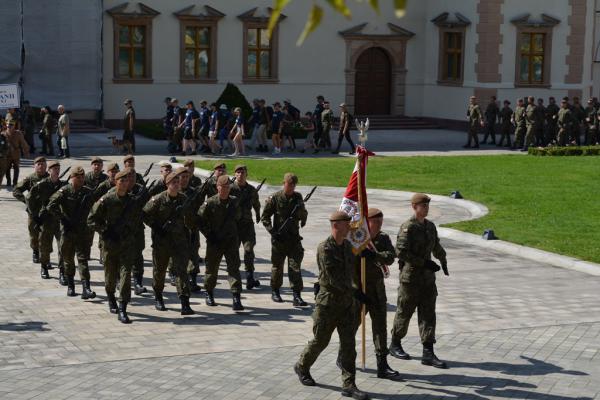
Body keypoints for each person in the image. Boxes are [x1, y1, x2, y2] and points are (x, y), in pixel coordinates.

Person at [294, 211, 369, 400]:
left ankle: (349, 385)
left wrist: (363, 257)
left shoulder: (347, 247)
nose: (350, 227)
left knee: (348, 344)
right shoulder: (325, 248)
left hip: (346, 305)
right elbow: (332, 278)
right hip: (328, 304)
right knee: (320, 341)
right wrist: (355, 291)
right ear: (336, 225)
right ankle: (302, 366)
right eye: (346, 223)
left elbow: (351, 273)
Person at [389, 193, 448, 369]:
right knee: (405, 312)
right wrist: (425, 263)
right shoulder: (408, 227)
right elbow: (401, 252)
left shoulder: (430, 226)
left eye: (427, 206)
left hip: (428, 279)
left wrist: (443, 259)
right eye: (423, 206)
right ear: (414, 207)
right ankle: (395, 343)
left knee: (428, 314)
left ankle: (428, 352)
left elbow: (436, 245)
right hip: (411, 278)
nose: (426, 209)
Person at [347, 208, 400, 379]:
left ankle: (382, 365)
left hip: (377, 290)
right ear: (367, 222)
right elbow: (350, 268)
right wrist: (355, 289)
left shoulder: (383, 238)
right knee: (351, 326)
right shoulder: (357, 238)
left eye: (381, 221)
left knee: (380, 328)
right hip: (361, 291)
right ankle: (344, 357)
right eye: (375, 221)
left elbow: (391, 256)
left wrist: (374, 255)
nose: (378, 224)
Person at [88, 169, 137, 323]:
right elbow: (91, 220)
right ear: (116, 182)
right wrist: (105, 231)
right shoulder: (106, 200)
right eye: (121, 181)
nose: (124, 183)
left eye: (126, 181)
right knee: (110, 275)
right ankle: (111, 297)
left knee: (125, 274)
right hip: (109, 244)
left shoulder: (132, 201)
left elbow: (137, 219)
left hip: (126, 244)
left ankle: (123, 307)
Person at [143, 169, 194, 315]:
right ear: (167, 184)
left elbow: (189, 218)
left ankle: (185, 302)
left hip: (179, 242)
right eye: (173, 182)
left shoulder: (183, 199)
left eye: (178, 182)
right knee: (159, 271)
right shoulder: (158, 199)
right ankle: (158, 297)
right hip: (162, 242)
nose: (177, 185)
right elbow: (144, 214)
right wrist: (157, 227)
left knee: (181, 271)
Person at [47, 166, 96, 299]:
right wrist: (63, 218)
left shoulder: (87, 192)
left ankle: (87, 288)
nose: (81, 180)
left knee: (83, 260)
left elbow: (96, 209)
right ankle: (71, 286)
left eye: (82, 177)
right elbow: (51, 205)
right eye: (78, 177)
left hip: (82, 232)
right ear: (72, 177)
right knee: (68, 260)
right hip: (68, 232)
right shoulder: (64, 191)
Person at [197, 175, 244, 310]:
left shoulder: (234, 202)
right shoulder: (210, 202)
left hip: (230, 241)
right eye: (223, 187)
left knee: (234, 269)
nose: (225, 190)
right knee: (211, 269)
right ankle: (209, 293)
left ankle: (236, 297)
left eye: (228, 187)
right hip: (215, 242)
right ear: (217, 187)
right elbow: (200, 220)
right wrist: (209, 234)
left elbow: (239, 217)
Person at [261, 173, 308, 306]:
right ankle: (275, 291)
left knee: (295, 267)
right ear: (284, 183)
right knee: (277, 267)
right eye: (289, 184)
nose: (291, 187)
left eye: (293, 185)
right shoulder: (275, 198)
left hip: (293, 239)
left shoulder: (298, 197)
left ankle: (297, 295)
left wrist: (300, 212)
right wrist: (272, 232)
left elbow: (303, 216)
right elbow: (265, 217)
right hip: (279, 239)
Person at [26, 160, 66, 280]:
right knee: (44, 247)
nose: (57, 171)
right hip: (46, 220)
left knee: (62, 247)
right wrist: (34, 215)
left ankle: (62, 272)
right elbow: (29, 198)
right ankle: (44, 267)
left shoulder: (63, 185)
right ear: (49, 171)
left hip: (59, 220)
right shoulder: (41, 184)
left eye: (58, 169)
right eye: (54, 169)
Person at [230, 165, 261, 290]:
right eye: (238, 172)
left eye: (243, 172)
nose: (240, 174)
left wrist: (258, 214)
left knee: (248, 250)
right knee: (233, 252)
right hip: (234, 225)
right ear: (235, 174)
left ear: (246, 174)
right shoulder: (231, 189)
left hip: (247, 225)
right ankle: (235, 277)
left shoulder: (251, 190)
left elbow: (256, 204)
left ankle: (249, 277)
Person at [13, 156, 49, 263]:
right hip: (33, 212)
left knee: (46, 234)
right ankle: (35, 251)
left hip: (47, 212)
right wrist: (26, 201)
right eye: (39, 164)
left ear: (46, 166)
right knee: (33, 233)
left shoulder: (50, 177)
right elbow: (16, 191)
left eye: (43, 164)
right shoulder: (30, 179)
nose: (41, 166)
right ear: (35, 166)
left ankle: (45, 255)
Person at [3, 119, 30, 187]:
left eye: (11, 124)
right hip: (7, 154)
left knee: (16, 168)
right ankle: (8, 181)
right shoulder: (3, 133)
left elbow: (23, 143)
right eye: (8, 124)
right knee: (7, 168)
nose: (9, 126)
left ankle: (15, 182)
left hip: (16, 153)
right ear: (6, 125)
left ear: (14, 125)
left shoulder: (18, 133)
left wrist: (26, 152)